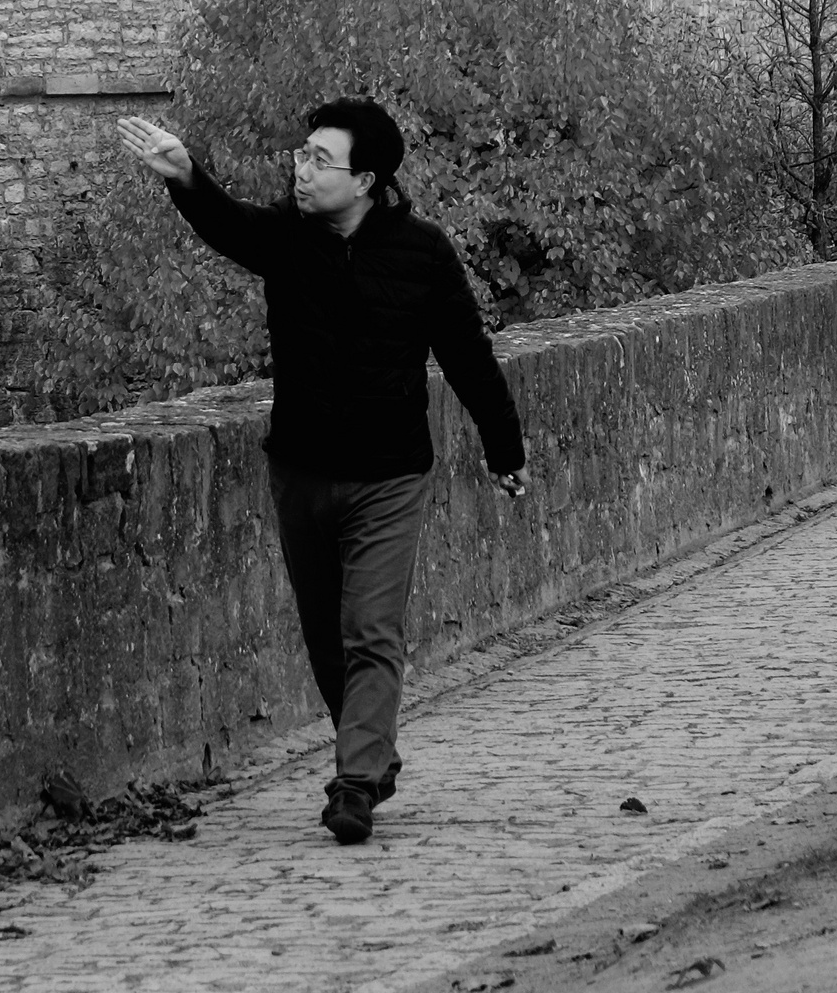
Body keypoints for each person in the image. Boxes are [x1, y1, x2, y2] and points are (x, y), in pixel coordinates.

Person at [115, 100, 531, 845]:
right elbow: (231, 225)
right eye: (300, 156)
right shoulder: (289, 238)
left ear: (366, 179)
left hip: (388, 476)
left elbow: (468, 356)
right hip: (301, 472)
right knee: (325, 637)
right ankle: (371, 755)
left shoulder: (423, 254)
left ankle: (354, 785)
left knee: (371, 630)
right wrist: (186, 176)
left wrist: (505, 451)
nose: (300, 171)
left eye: (318, 161)